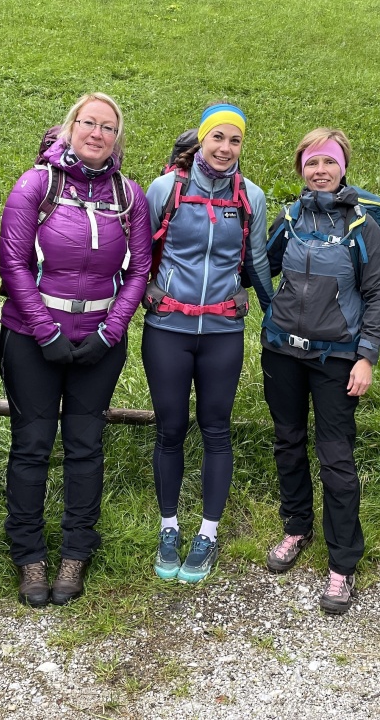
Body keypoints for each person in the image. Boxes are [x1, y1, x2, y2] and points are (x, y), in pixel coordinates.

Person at [0, 93, 151, 607]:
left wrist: (110, 331)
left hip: (100, 344)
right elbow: (14, 265)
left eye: (109, 127)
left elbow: (139, 271)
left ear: (117, 138)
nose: (97, 133)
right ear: (70, 128)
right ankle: (29, 554)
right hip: (31, 339)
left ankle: (76, 551)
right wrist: (45, 332)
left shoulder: (129, 195)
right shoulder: (35, 186)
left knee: (86, 447)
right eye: (89, 123)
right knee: (32, 447)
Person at [260, 128, 380, 614]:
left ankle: (343, 563)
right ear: (301, 169)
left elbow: (379, 293)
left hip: (337, 359)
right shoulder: (289, 219)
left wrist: (367, 355)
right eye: (312, 163)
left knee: (337, 460)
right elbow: (259, 267)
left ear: (342, 168)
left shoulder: (362, 226)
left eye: (329, 163)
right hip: (281, 353)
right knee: (287, 443)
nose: (320, 171)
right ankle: (296, 527)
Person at [142, 104, 272, 583]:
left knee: (216, 427)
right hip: (168, 329)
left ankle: (209, 533)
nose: (225, 148)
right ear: (202, 141)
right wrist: (139, 300)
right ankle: (170, 526)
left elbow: (256, 259)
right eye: (217, 138)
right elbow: (140, 255)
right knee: (170, 428)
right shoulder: (166, 189)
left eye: (234, 140)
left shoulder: (250, 196)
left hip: (222, 331)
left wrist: (273, 312)